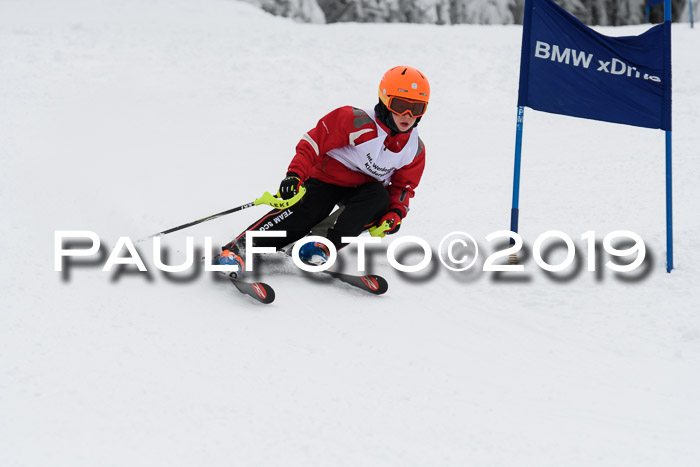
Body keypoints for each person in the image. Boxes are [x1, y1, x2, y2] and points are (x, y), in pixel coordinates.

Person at [215, 66, 430, 277]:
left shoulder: (414, 149)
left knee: (380, 200)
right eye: (400, 105)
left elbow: (403, 187)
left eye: (417, 108)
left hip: (364, 191)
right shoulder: (355, 120)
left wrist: (395, 213)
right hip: (326, 180)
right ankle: (238, 250)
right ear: (384, 100)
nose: (408, 115)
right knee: (308, 210)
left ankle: (317, 245)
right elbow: (313, 144)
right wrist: (295, 176)